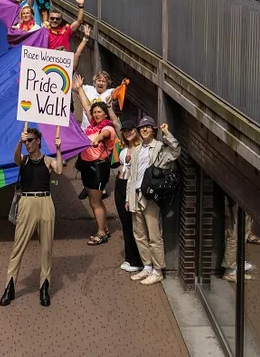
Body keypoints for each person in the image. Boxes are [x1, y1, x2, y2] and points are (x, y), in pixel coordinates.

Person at [0, 127, 63, 307]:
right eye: (26, 141)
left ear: (38, 141)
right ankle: (9, 286)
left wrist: (58, 149)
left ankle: (44, 286)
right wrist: (19, 142)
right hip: (27, 202)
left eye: (30, 140)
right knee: (18, 246)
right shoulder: (24, 160)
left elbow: (59, 170)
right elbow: (15, 158)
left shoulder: (48, 160)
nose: (27, 144)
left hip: (45, 202)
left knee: (46, 247)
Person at [125, 116, 180, 286]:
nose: (145, 130)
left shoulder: (159, 147)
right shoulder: (137, 149)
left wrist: (166, 132)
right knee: (139, 234)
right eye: (142, 127)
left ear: (153, 130)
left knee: (154, 235)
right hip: (135, 196)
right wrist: (128, 198)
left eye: (148, 127)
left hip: (150, 197)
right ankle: (147, 266)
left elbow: (176, 151)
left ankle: (158, 270)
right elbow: (131, 177)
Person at [73, 74, 116, 246]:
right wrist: (80, 89)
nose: (97, 114)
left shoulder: (107, 128)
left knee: (95, 201)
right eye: (95, 112)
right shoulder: (92, 124)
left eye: (100, 112)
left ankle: (101, 233)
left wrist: (97, 139)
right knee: (93, 200)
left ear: (106, 114)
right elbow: (86, 105)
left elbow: (105, 134)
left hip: (98, 168)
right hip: (88, 166)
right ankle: (103, 227)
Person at [114, 120, 143, 273]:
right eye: (125, 130)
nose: (128, 132)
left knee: (134, 225)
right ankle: (129, 257)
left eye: (130, 129)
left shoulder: (141, 149)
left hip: (130, 187)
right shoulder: (124, 149)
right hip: (120, 184)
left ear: (135, 130)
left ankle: (137, 259)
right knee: (125, 224)